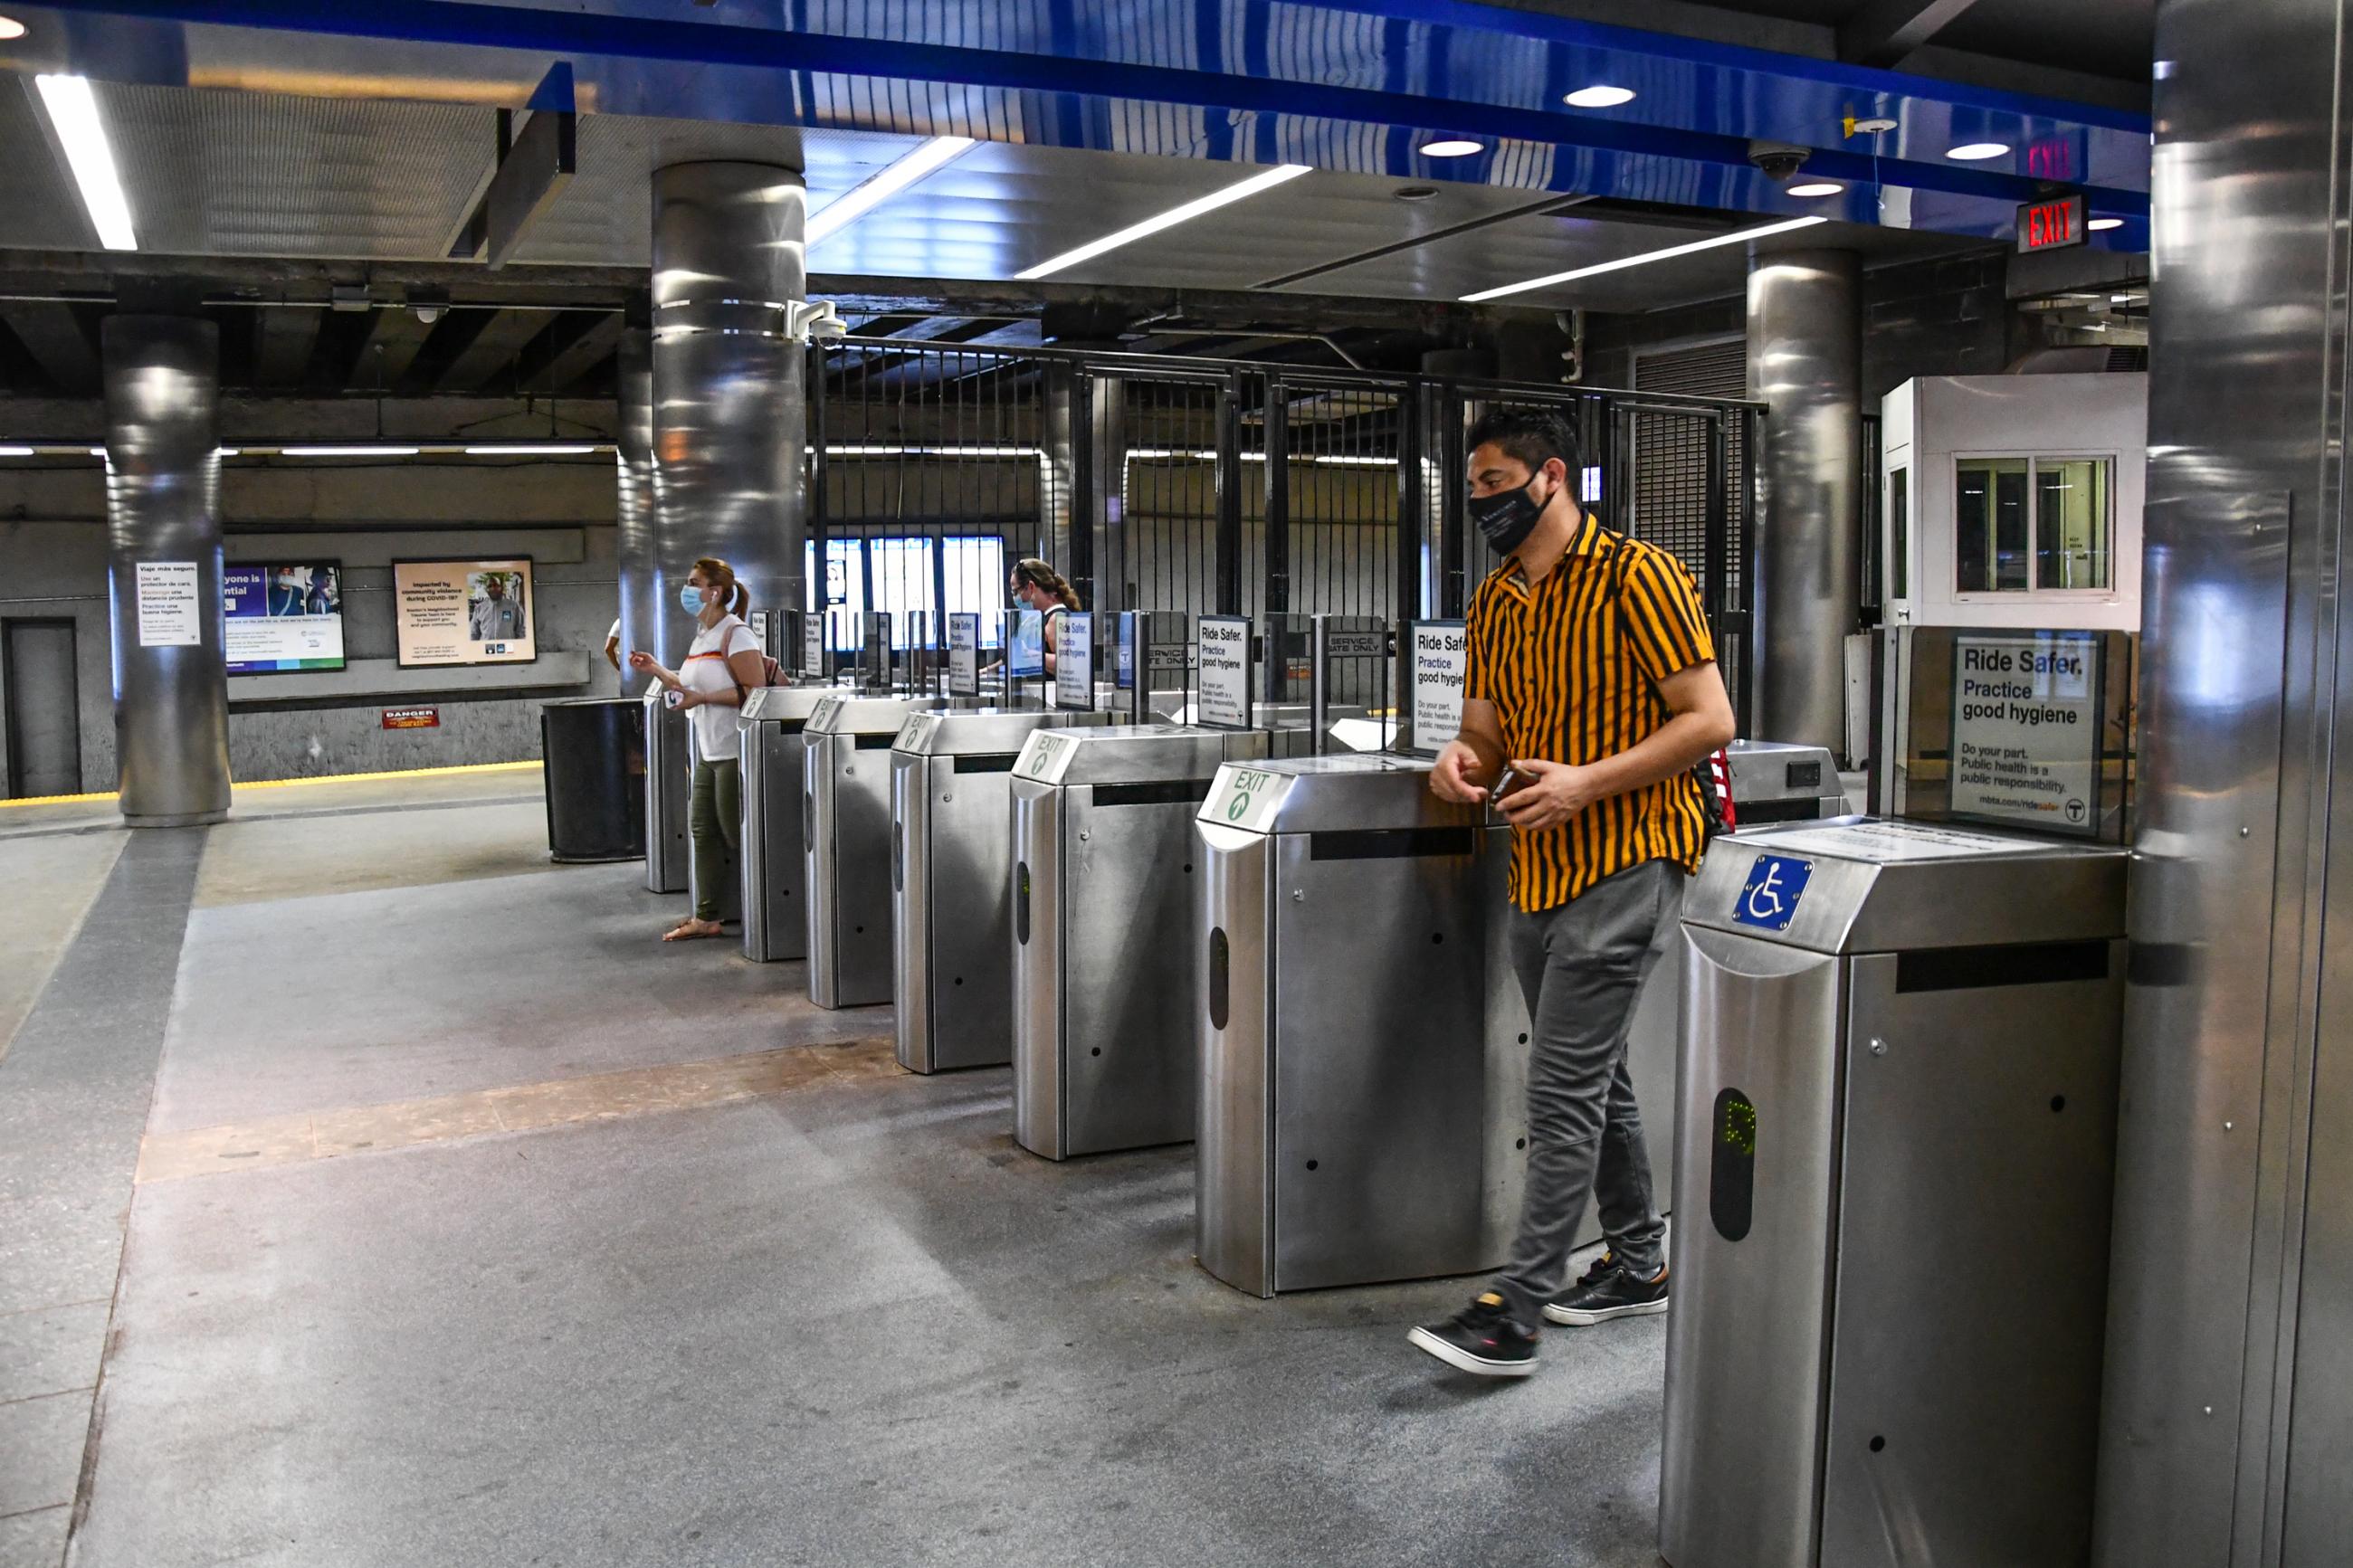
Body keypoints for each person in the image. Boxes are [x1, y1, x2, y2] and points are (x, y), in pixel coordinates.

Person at [1407, 407, 1737, 1379]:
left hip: (1632, 853)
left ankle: (1517, 1306)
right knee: (1593, 1076)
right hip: (1537, 862)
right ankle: (1638, 1262)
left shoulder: (1640, 574)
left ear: (1552, 476)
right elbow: (1486, 729)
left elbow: (1709, 717)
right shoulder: (1495, 601)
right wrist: (1455, 760)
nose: (1484, 503)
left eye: (1496, 482)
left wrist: (1591, 779)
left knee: (1558, 1087)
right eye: (1472, 489)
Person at [627, 557, 767, 942]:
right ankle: (707, 917)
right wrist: (657, 670)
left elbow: (755, 692)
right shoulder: (702, 635)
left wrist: (702, 696)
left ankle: (771, 909)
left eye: (694, 583)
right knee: (703, 830)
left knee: (736, 834)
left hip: (736, 750)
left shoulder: (735, 633)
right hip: (709, 750)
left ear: (715, 592)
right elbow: (689, 686)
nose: (687, 590)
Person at [1009, 558, 1081, 677]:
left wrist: (1031, 655)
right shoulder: (1039, 617)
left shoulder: (1056, 618)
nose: (1015, 598)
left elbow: (1069, 663)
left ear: (1031, 587)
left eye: (1016, 592)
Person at [470, 573, 527, 642]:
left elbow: (521, 630)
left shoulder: (514, 606)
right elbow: (474, 634)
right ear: (486, 590)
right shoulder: (479, 608)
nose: (493, 588)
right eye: (490, 586)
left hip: (508, 649)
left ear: (501, 587)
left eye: (496, 585)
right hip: (487, 650)